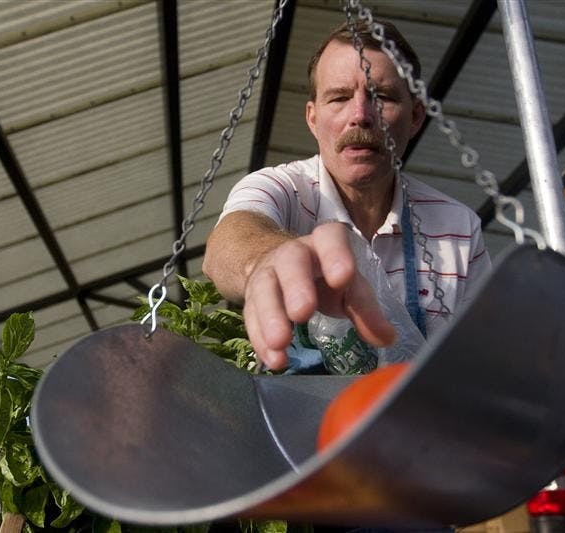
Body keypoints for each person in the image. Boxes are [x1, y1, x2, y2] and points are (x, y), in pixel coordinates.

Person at [203, 19, 491, 372]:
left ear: (416, 117)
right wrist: (266, 260)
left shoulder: (457, 227)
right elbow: (230, 241)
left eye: (381, 97)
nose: (360, 116)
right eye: (339, 97)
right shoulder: (284, 190)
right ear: (312, 118)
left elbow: (482, 364)